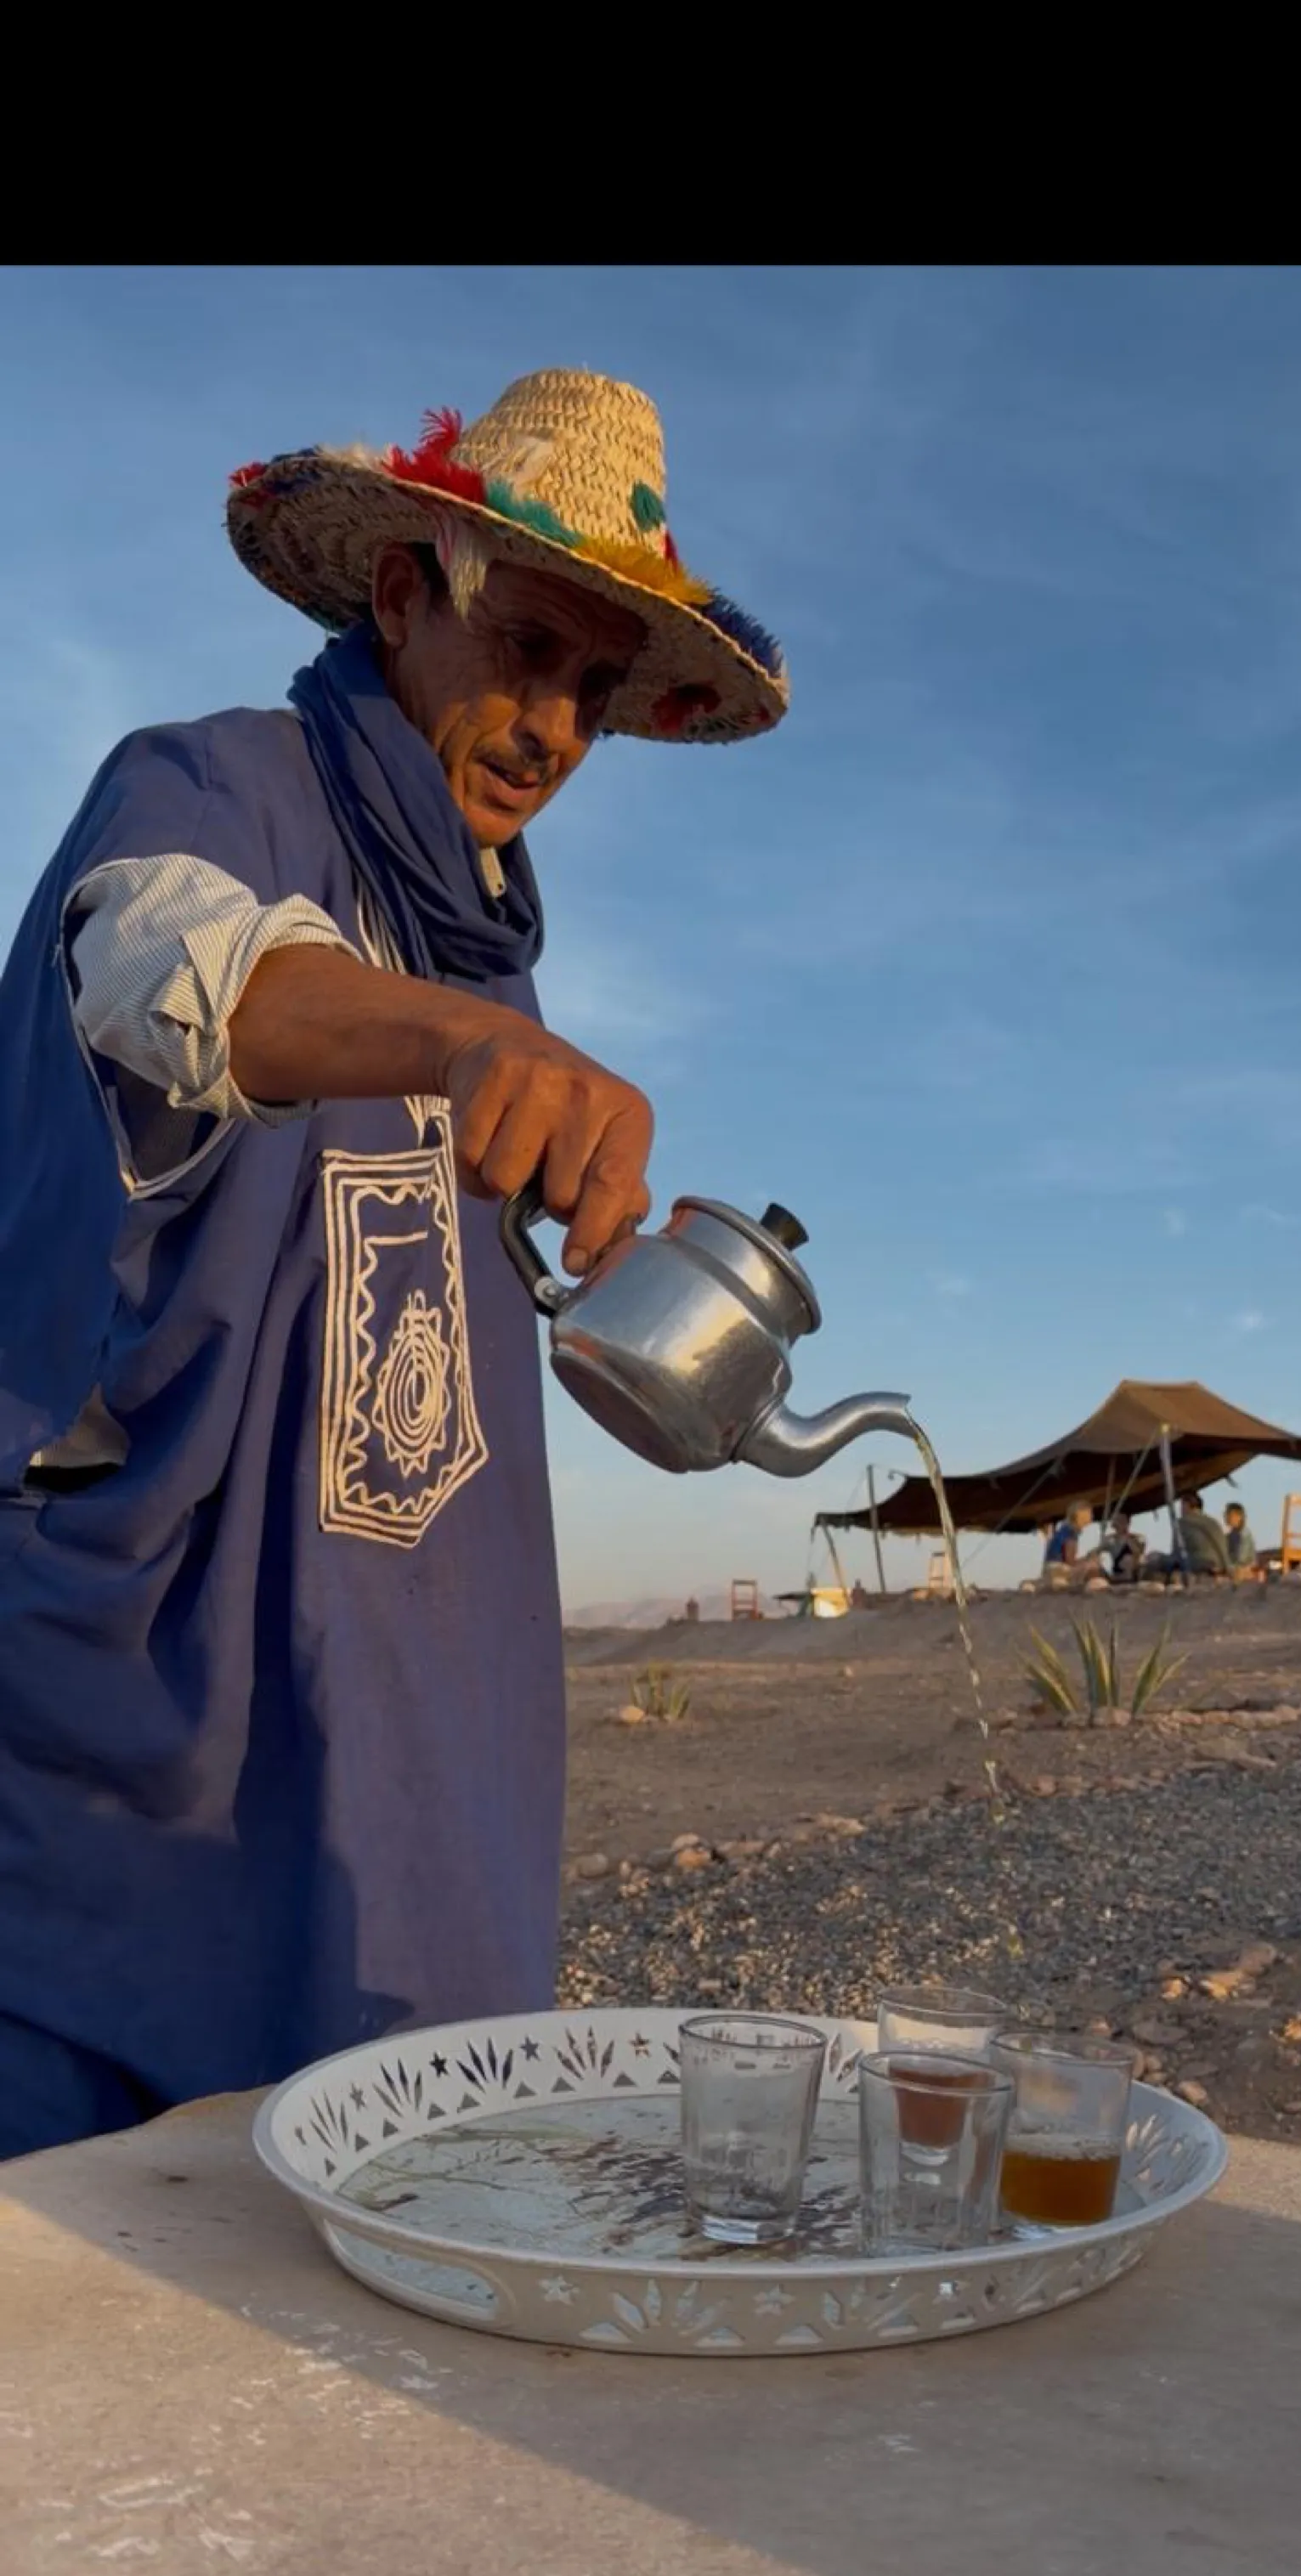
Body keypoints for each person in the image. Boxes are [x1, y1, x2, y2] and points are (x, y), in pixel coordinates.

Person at [0, 369, 789, 2160]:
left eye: (595, 684)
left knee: (433, 2201)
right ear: (400, 593)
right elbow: (166, 971)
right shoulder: (213, 787)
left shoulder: (488, 955)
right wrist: (458, 1043)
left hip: (424, 1735)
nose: (554, 725)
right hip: (151, 1768)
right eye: (528, 646)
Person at [1177, 1490, 1232, 1578]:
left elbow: (1177, 1552)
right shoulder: (1213, 1522)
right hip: (1221, 1565)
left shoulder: (1183, 1522)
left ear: (1186, 1505)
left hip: (1201, 1564)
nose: (1180, 1510)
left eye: (1181, 1506)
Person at [1101, 1509, 1145, 1582]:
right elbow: (1097, 1551)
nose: (1119, 1523)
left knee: (1128, 1559)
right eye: (1117, 1520)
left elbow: (1138, 1552)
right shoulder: (1110, 1540)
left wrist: (1126, 1537)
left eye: (1122, 1521)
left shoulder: (1137, 1538)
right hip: (1116, 1576)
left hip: (1132, 1576)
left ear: (1128, 1522)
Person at [1224, 1501, 1257, 1574]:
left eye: (1230, 1515)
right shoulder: (1230, 1535)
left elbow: (1241, 1559)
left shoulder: (1245, 1535)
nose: (1226, 1518)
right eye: (1226, 1514)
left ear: (1239, 1517)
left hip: (1242, 1572)